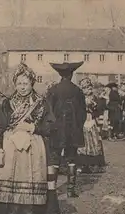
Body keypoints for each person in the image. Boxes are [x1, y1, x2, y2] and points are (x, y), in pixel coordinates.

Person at [0, 63, 56, 214]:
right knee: (10, 184)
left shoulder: (41, 103)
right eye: (19, 83)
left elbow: (51, 125)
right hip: (11, 147)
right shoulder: (7, 103)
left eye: (26, 83)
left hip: (33, 148)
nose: (22, 87)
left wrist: (34, 127)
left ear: (32, 83)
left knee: (30, 182)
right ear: (15, 84)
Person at [46, 62, 86, 198]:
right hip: (73, 130)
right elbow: (83, 114)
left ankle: (52, 189)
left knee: (54, 159)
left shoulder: (53, 90)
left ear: (59, 74)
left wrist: (52, 127)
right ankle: (70, 190)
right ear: (72, 74)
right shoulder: (78, 91)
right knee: (72, 158)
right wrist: (77, 126)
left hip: (57, 130)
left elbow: (48, 112)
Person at [76, 78, 106, 174]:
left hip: (91, 121)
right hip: (83, 121)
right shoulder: (79, 98)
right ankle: (83, 164)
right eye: (86, 88)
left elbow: (99, 109)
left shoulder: (94, 98)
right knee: (83, 143)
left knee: (94, 141)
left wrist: (94, 107)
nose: (88, 90)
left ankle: (94, 164)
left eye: (89, 88)